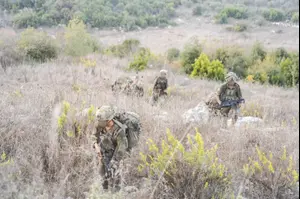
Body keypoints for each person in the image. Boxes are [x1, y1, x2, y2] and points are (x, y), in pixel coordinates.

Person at [91, 105, 128, 192]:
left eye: (101, 120)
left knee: (114, 173)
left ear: (109, 120)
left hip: (115, 153)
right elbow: (93, 136)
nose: (98, 122)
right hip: (103, 152)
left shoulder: (119, 131)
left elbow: (121, 149)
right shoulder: (100, 123)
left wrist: (113, 162)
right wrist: (96, 146)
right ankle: (104, 190)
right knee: (102, 173)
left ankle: (116, 192)